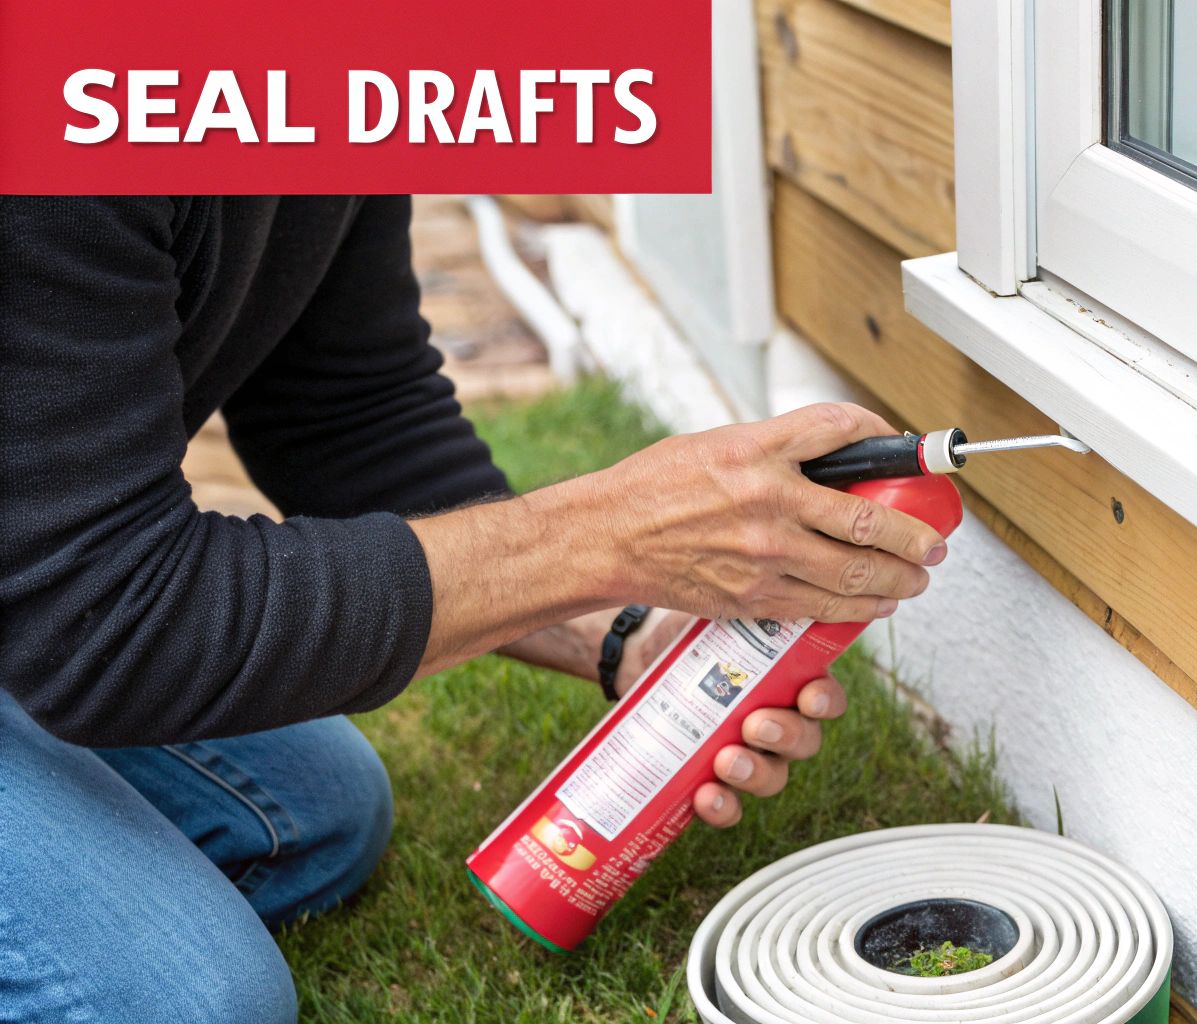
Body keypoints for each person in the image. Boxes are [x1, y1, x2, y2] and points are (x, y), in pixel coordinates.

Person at [0, 196, 947, 1024]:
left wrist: (620, 630)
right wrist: (605, 534)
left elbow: (346, 410)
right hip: (74, 595)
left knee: (309, 815)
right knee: (179, 1001)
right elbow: (113, 616)